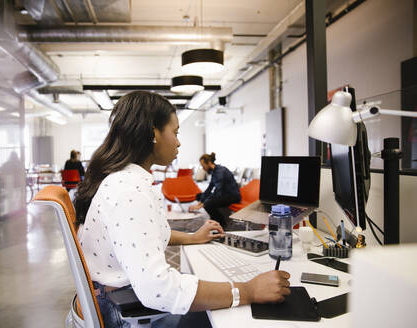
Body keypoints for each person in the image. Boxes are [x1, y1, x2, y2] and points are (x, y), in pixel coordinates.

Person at [74, 91, 290, 328]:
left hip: (118, 298)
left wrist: (192, 238)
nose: (178, 142)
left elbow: (144, 236)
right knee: (229, 318)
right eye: (175, 132)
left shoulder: (124, 180)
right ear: (153, 133)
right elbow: (157, 289)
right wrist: (248, 291)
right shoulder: (129, 191)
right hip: (122, 311)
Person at [189, 153, 241, 229]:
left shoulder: (220, 171)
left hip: (232, 196)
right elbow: (209, 188)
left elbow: (217, 192)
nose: (203, 169)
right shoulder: (214, 171)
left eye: (203, 166)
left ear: (209, 163)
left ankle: (221, 224)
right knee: (199, 196)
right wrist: (200, 202)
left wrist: (202, 205)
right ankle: (215, 219)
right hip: (223, 194)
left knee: (208, 204)